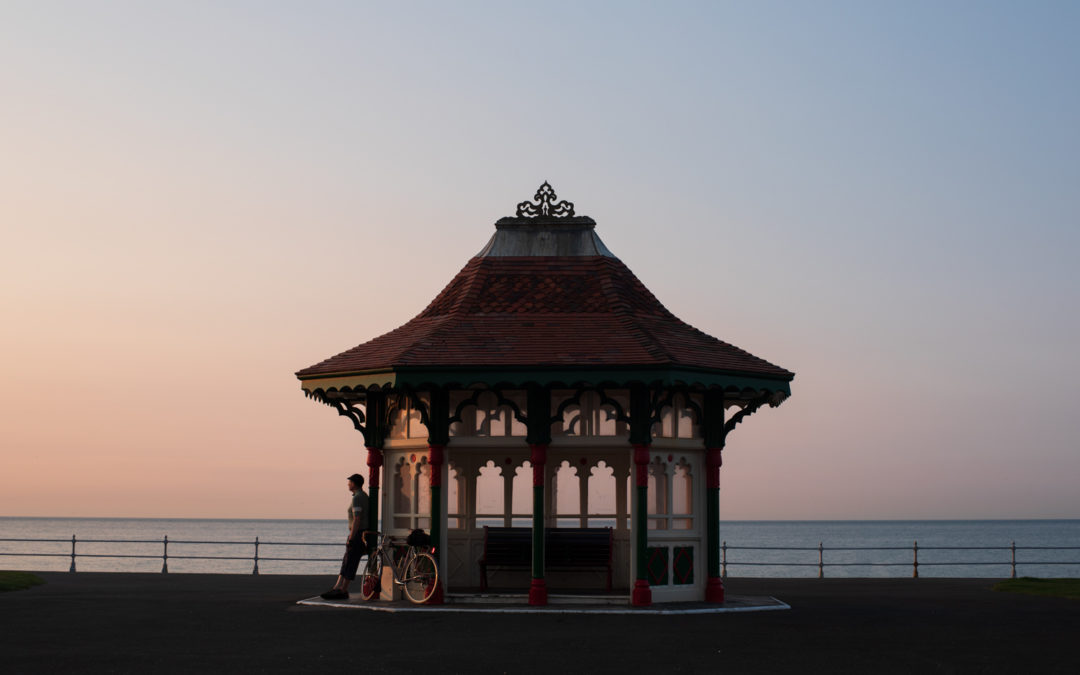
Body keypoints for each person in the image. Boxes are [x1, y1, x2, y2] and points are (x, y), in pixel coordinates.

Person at [320, 473, 370, 600]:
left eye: (350, 482)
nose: (348, 484)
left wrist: (351, 537)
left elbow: (357, 519)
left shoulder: (357, 498)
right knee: (347, 560)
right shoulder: (363, 496)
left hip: (358, 533)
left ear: (354, 483)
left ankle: (342, 589)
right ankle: (337, 587)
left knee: (350, 561)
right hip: (360, 532)